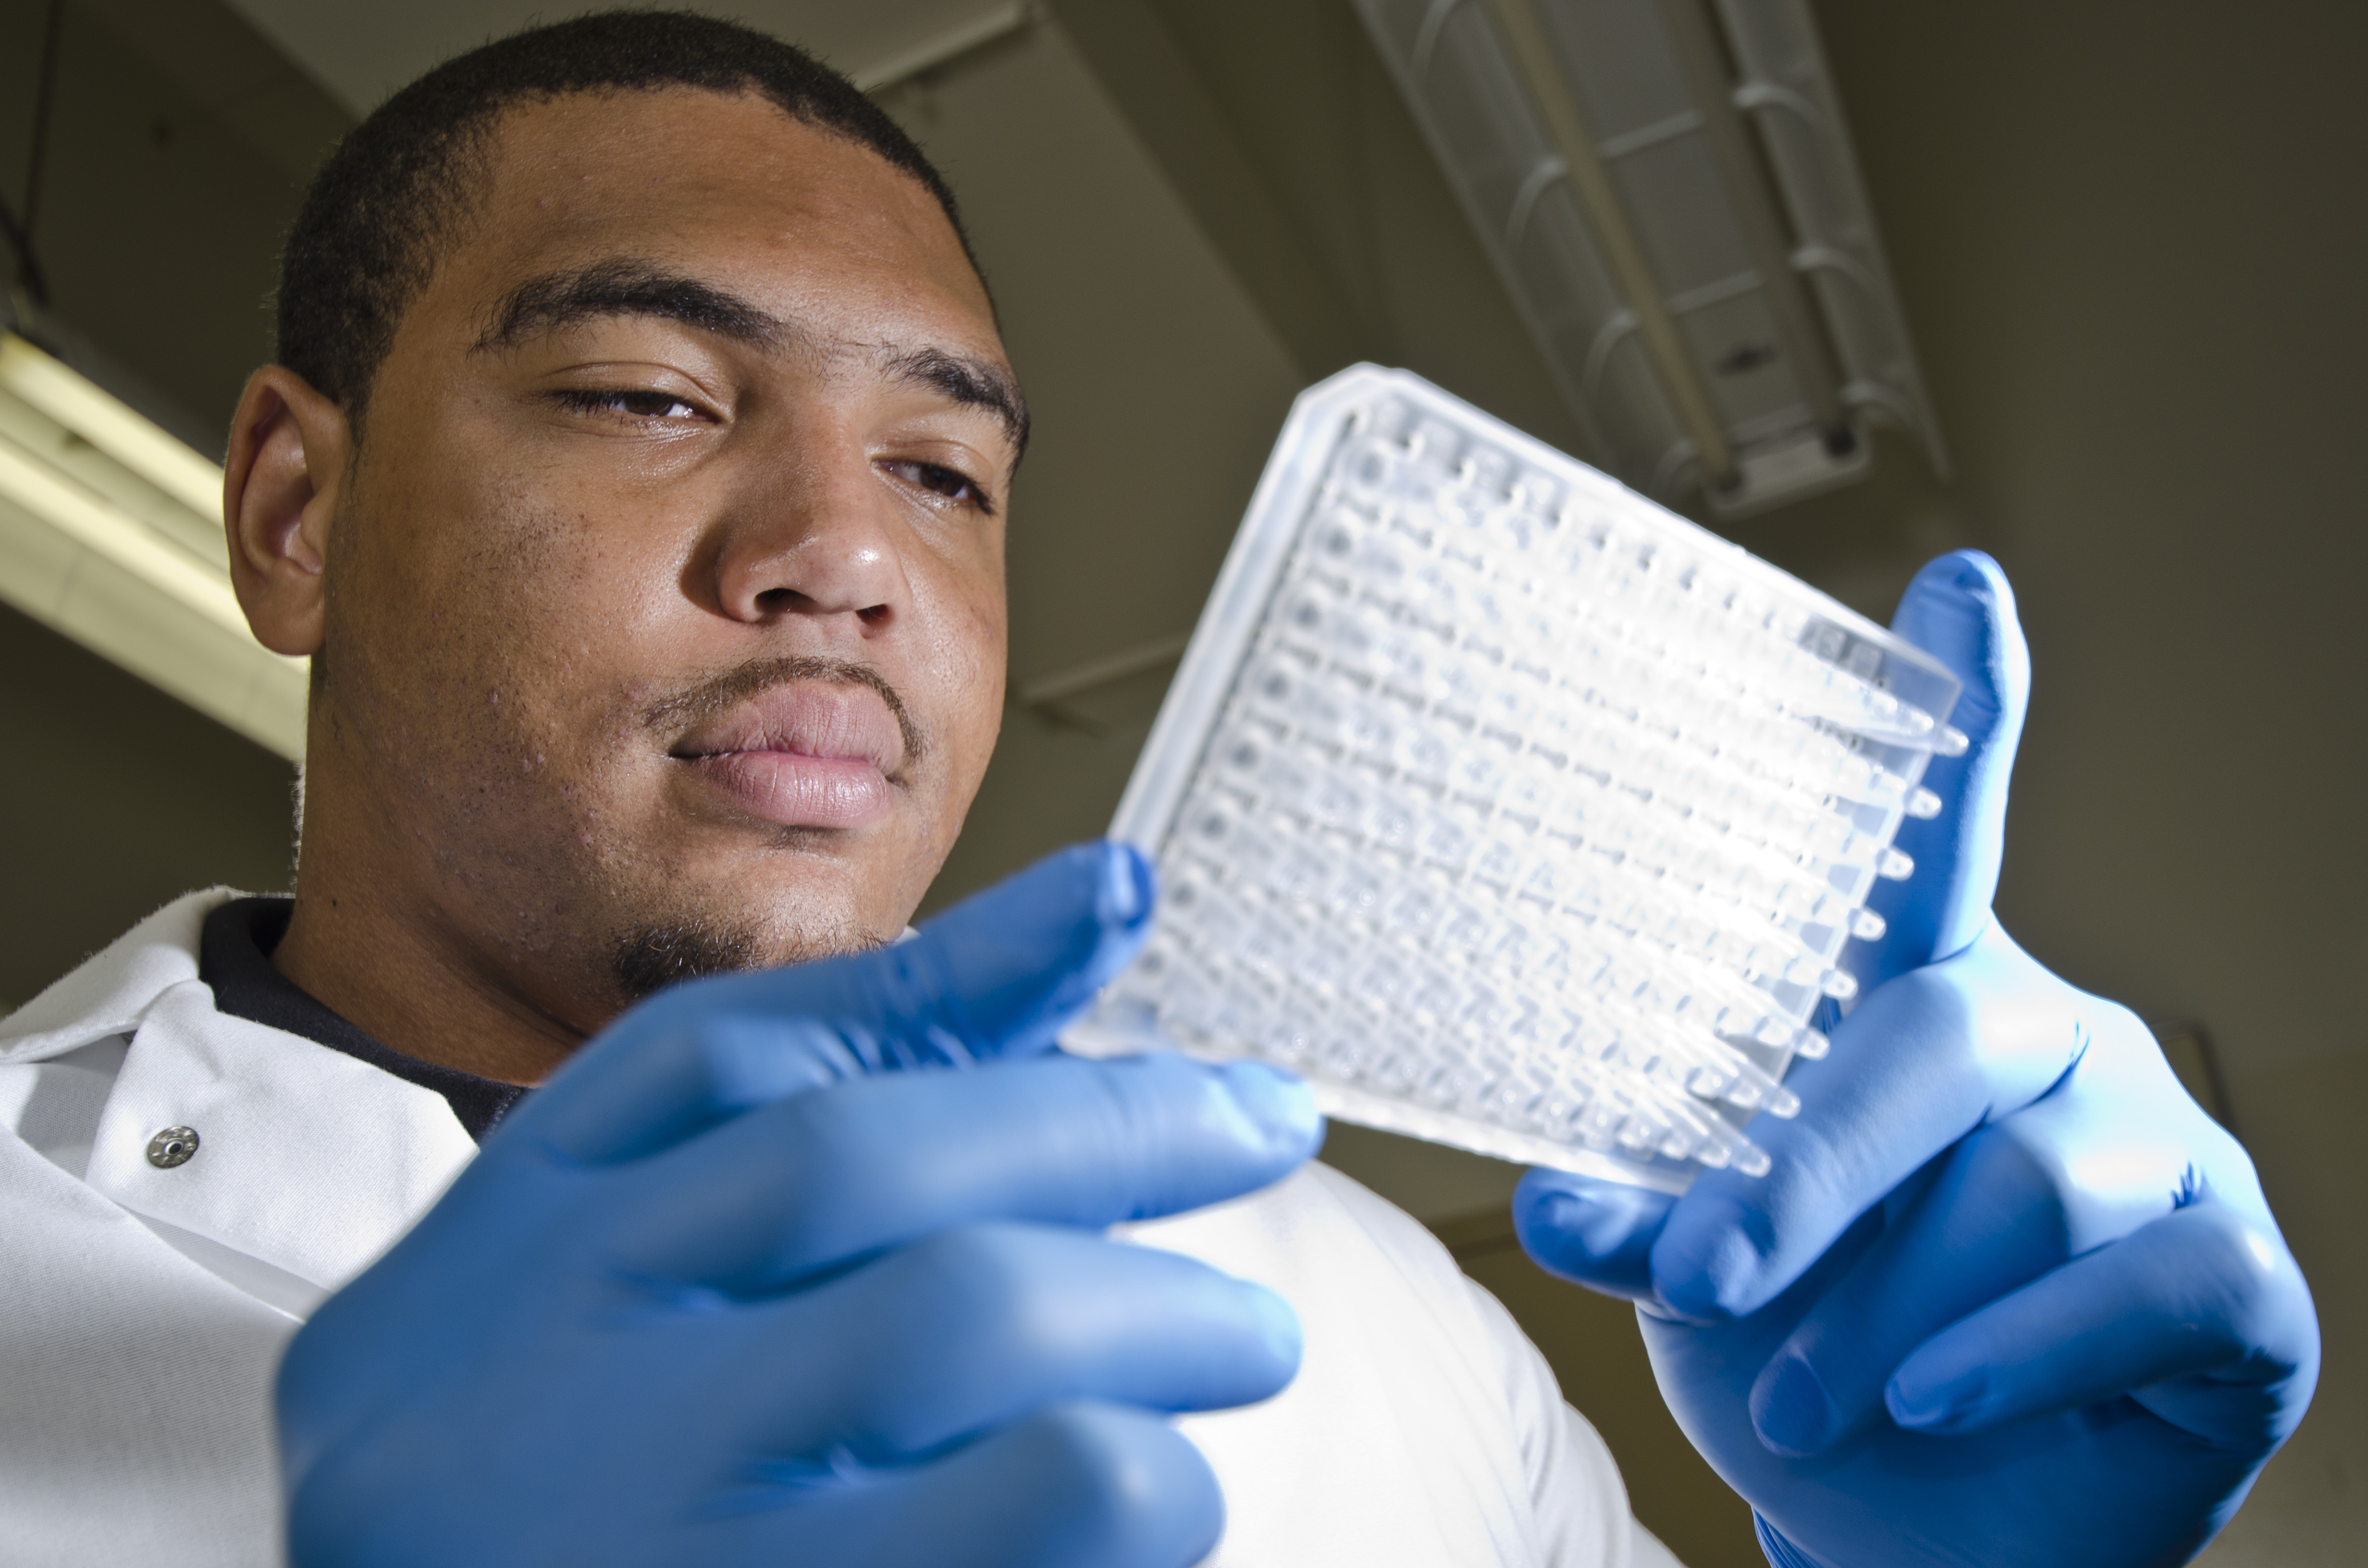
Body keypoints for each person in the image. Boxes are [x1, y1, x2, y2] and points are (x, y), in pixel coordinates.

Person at [0, 12, 2316, 1567]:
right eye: (650, 397)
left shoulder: (1365, 1315)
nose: (846, 560)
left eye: (941, 467)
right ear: (297, 513)